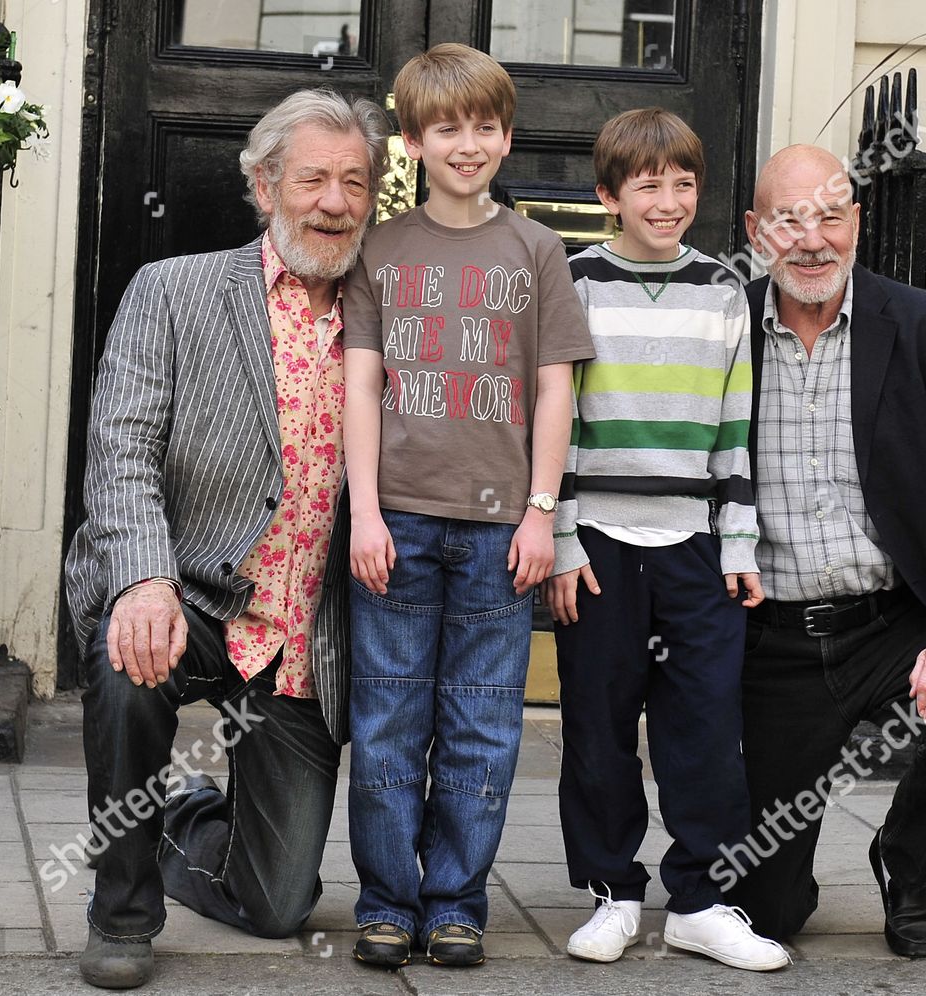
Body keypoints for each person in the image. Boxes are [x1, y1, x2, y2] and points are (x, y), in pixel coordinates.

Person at [62, 88, 389, 989]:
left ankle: (177, 818)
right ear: (263, 185)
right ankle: (121, 913)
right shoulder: (174, 291)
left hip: (302, 632)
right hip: (194, 595)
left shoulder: (386, 315)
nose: (333, 202)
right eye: (313, 178)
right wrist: (142, 581)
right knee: (129, 666)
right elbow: (120, 448)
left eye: (353, 183)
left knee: (279, 906)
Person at [722, 143, 926, 957]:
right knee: (765, 912)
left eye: (830, 215)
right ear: (757, 229)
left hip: (896, 625)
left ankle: (907, 859)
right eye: (789, 218)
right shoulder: (723, 330)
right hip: (774, 640)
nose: (811, 238)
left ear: (856, 222)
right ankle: (781, 876)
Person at [341, 43, 594, 969]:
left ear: (507, 135)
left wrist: (540, 512)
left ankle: (455, 902)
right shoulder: (381, 249)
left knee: (484, 725)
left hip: (500, 530)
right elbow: (360, 386)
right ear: (412, 139)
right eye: (447, 127)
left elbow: (555, 393)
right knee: (389, 723)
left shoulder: (536, 251)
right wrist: (364, 514)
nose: (468, 143)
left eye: (485, 126)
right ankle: (383, 902)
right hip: (398, 523)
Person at [542, 108, 788, 973]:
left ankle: (701, 899)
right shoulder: (571, 282)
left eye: (683, 182)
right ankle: (614, 890)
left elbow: (733, 428)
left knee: (705, 728)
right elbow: (556, 420)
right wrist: (563, 537)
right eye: (649, 183)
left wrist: (738, 544)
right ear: (610, 194)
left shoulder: (723, 288)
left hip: (694, 546)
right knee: (598, 726)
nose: (669, 198)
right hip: (601, 544)